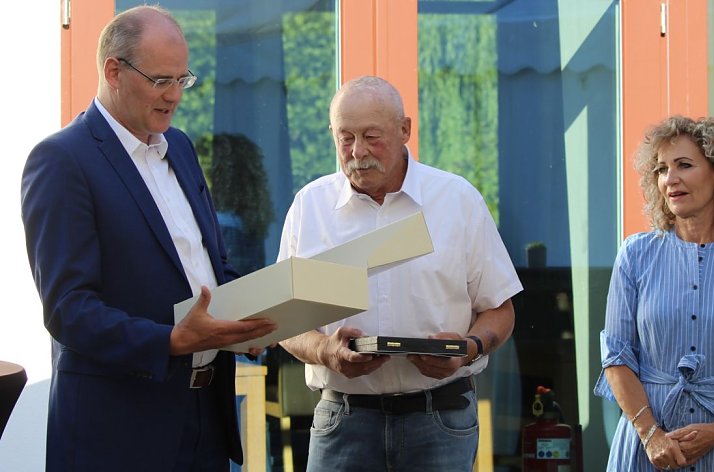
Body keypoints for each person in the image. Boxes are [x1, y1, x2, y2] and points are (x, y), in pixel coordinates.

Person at [20, 6, 276, 471]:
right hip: (119, 433)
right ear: (113, 71)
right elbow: (67, 309)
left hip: (207, 421)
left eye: (183, 79)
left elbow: (208, 265)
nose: (175, 95)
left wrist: (244, 320)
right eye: (161, 80)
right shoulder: (61, 160)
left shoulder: (179, 147)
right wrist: (171, 341)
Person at [277, 75, 523, 471]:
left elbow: (500, 309)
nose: (358, 151)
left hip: (440, 415)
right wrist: (325, 351)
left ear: (405, 129)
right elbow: (285, 320)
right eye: (345, 138)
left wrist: (466, 350)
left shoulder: (456, 200)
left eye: (372, 136)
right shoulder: (311, 207)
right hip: (343, 417)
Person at [594, 115, 714, 470]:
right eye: (661, 169)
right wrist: (651, 434)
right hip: (647, 447)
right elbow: (616, 357)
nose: (670, 179)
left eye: (684, 165)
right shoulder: (635, 254)